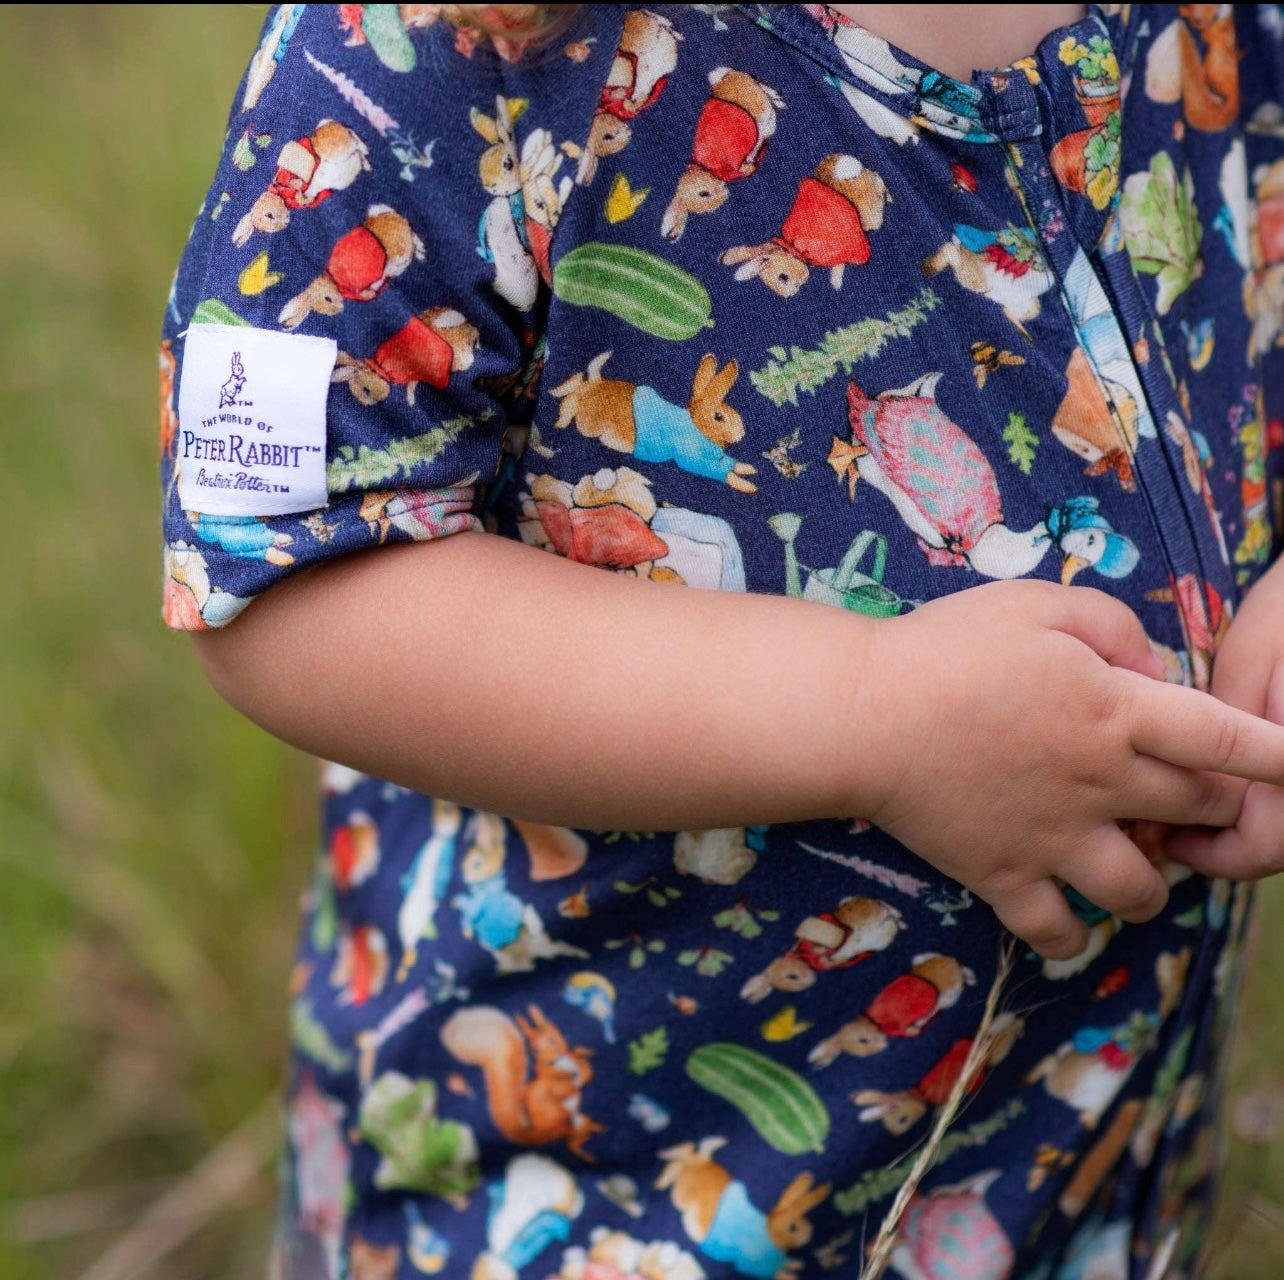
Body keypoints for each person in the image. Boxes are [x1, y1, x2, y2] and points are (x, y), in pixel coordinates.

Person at [158, 3, 1284, 1276]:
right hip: (600, 1197)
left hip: (1083, 1172)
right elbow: (292, 577)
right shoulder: (439, 43)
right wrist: (874, 714)